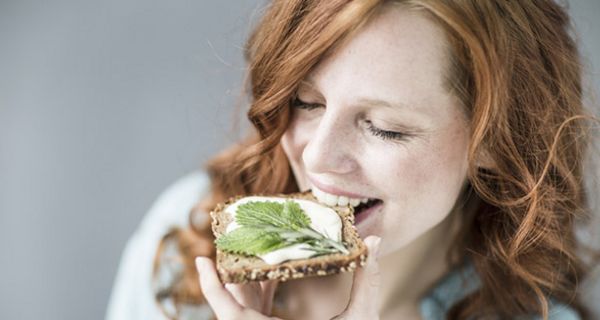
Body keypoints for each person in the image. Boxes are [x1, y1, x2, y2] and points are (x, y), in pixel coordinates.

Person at [106, 0, 600, 319]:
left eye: (385, 127)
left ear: (494, 140)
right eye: (306, 103)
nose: (317, 156)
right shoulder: (186, 238)